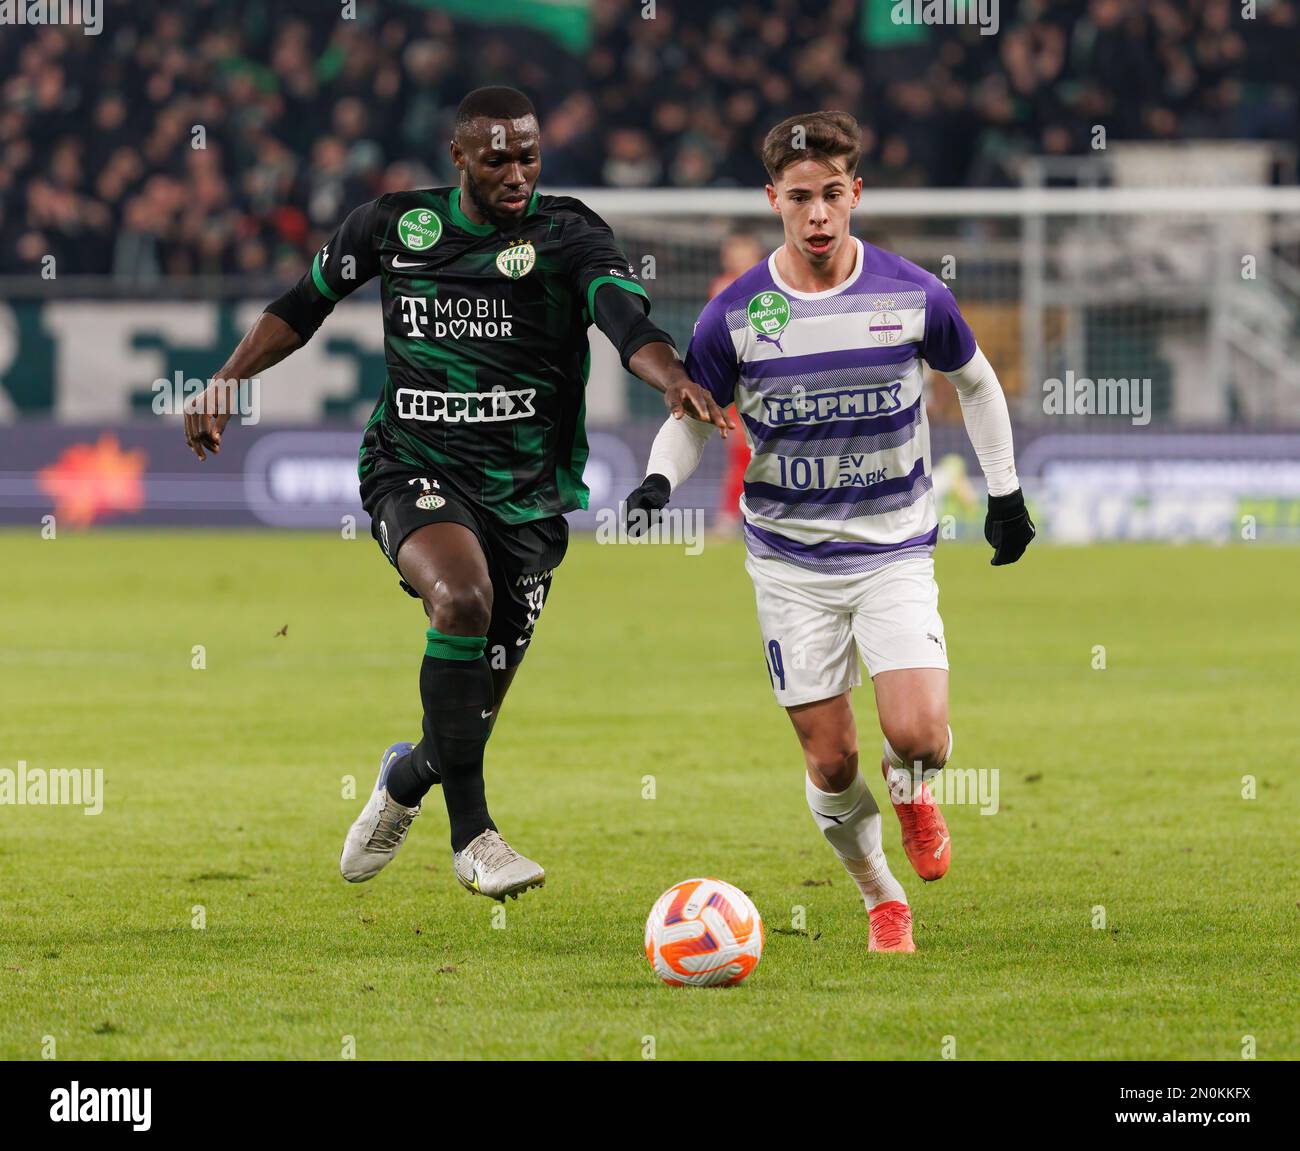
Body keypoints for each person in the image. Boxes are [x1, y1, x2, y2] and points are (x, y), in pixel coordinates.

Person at [184, 86, 729, 901]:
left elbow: (624, 321)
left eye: (529, 157)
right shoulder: (395, 226)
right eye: (498, 158)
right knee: (463, 599)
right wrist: (227, 380)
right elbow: (303, 306)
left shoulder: (569, 232)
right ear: (460, 159)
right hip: (412, 462)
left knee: (467, 713)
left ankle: (406, 778)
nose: (517, 174)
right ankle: (474, 839)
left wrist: (671, 375)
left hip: (528, 494)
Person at [624, 111, 1034, 951]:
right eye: (800, 197)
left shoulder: (913, 292)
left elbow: (981, 385)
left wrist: (1006, 493)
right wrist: (659, 477)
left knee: (918, 738)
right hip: (789, 565)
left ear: (857, 194)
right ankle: (880, 894)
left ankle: (914, 792)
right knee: (833, 763)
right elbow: (694, 415)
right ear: (774, 198)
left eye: (833, 195)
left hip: (893, 549)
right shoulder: (734, 315)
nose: (818, 214)